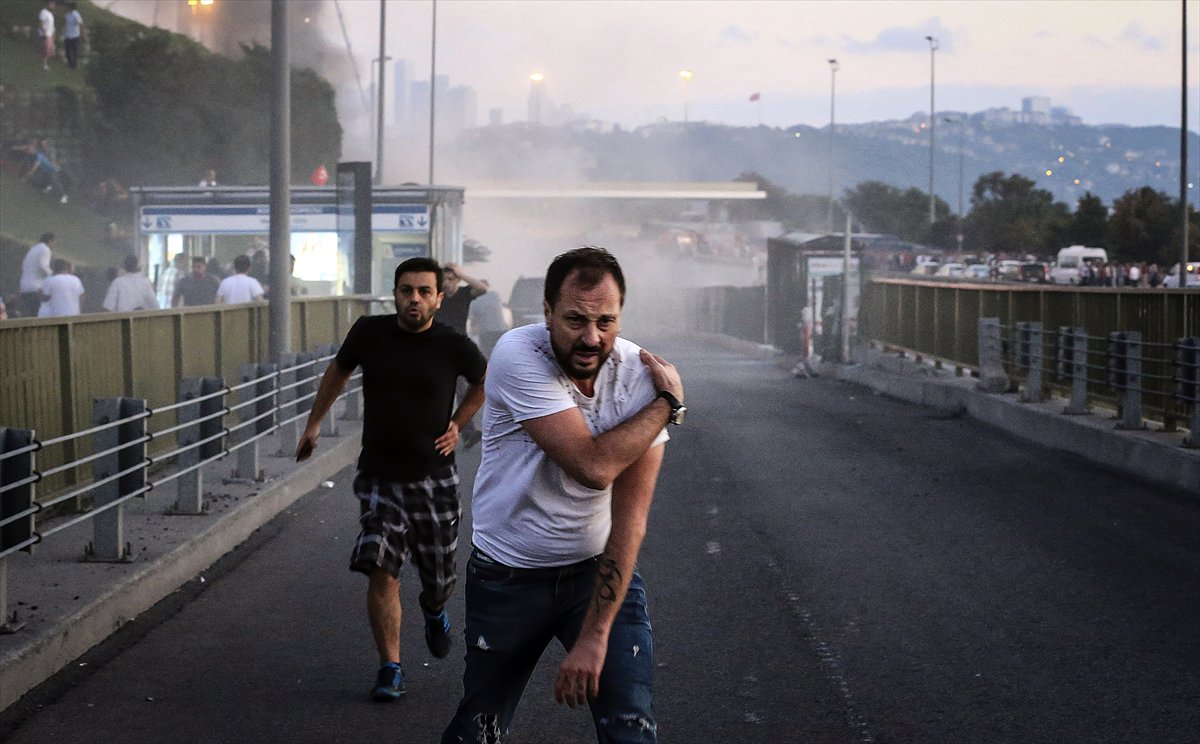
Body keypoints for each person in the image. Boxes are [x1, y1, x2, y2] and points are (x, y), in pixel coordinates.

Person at [441, 246, 685, 744]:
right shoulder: (518, 354)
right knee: (479, 731)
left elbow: (631, 519)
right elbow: (593, 469)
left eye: (605, 321)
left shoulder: (640, 376)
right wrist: (669, 405)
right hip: (508, 575)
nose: (592, 337)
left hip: (595, 572)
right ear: (547, 312)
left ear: (620, 317)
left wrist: (595, 636)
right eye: (575, 320)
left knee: (631, 729)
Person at [295, 257, 487, 703]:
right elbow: (338, 371)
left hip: (434, 479)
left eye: (423, 292)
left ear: (438, 298)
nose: (414, 299)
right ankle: (391, 667)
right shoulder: (370, 332)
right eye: (406, 291)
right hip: (380, 476)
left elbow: (483, 381)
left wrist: (458, 423)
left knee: (438, 579)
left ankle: (434, 609)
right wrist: (314, 424)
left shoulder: (452, 343)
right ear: (395, 294)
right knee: (380, 566)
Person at [438, 263, 489, 335]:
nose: (446, 283)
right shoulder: (438, 295)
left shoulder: (464, 292)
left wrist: (461, 275)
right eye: (443, 279)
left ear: (458, 280)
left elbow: (482, 289)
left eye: (450, 279)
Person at [18, 233, 54, 317]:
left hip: (24, 288)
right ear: (50, 241)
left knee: (29, 316)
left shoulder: (33, 249)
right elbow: (43, 266)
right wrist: (54, 276)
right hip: (36, 289)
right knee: (36, 315)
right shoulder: (45, 249)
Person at [63, 2, 82, 69]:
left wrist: (81, 34)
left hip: (75, 36)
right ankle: (70, 63)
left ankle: (74, 65)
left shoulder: (76, 15)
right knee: (67, 51)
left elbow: (80, 23)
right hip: (68, 35)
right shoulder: (67, 14)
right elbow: (66, 24)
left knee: (74, 51)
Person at [37, 1, 55, 71]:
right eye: (51, 4)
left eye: (53, 4)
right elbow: (40, 24)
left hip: (50, 34)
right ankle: (44, 64)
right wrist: (44, 33)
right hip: (45, 34)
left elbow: (51, 26)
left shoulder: (50, 14)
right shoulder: (43, 12)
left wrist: (52, 34)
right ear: (48, 4)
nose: (53, 6)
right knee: (47, 50)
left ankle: (44, 63)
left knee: (50, 50)